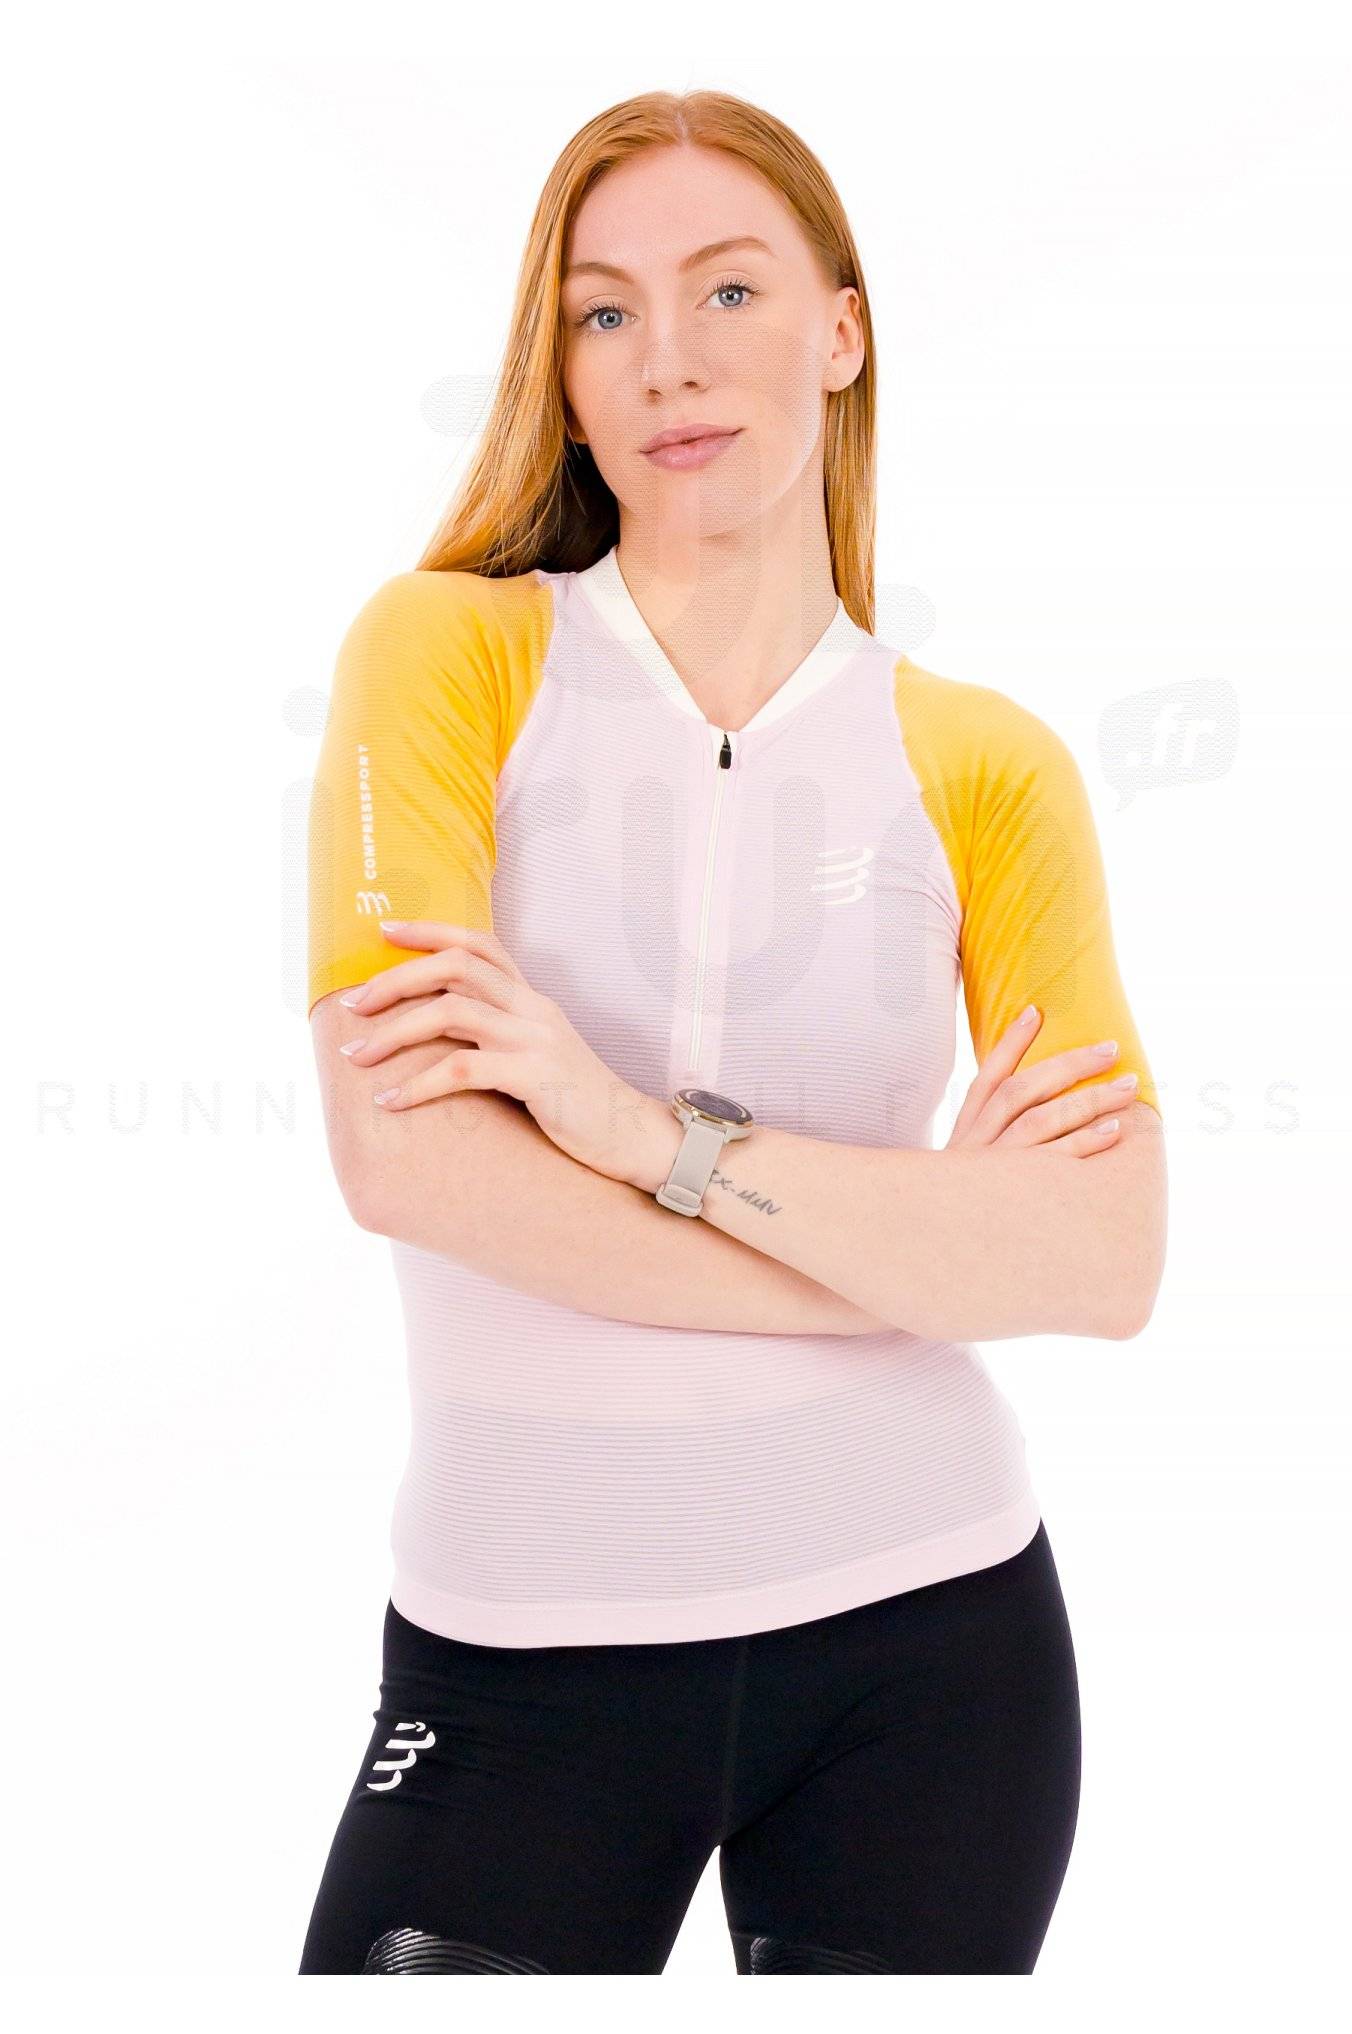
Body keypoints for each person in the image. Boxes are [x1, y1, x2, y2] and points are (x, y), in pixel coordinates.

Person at [297, 88, 1167, 1976]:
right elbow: (405, 1158)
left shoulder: (985, 763)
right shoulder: (447, 656)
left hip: (935, 1648)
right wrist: (917, 1259)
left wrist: (631, 1131)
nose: (667, 360)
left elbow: (1104, 1258)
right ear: (560, 376)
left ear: (842, 333)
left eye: (729, 291)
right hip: (521, 1661)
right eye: (603, 312)